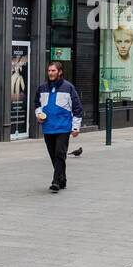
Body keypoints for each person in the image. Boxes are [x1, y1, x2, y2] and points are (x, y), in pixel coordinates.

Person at [35, 61, 82, 192]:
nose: (50, 73)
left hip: (63, 128)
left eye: (53, 71)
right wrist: (38, 114)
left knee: (60, 154)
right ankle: (63, 178)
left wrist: (75, 127)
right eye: (49, 70)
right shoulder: (42, 88)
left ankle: (55, 181)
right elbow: (36, 104)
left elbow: (77, 108)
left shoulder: (68, 87)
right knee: (53, 155)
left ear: (60, 72)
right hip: (48, 127)